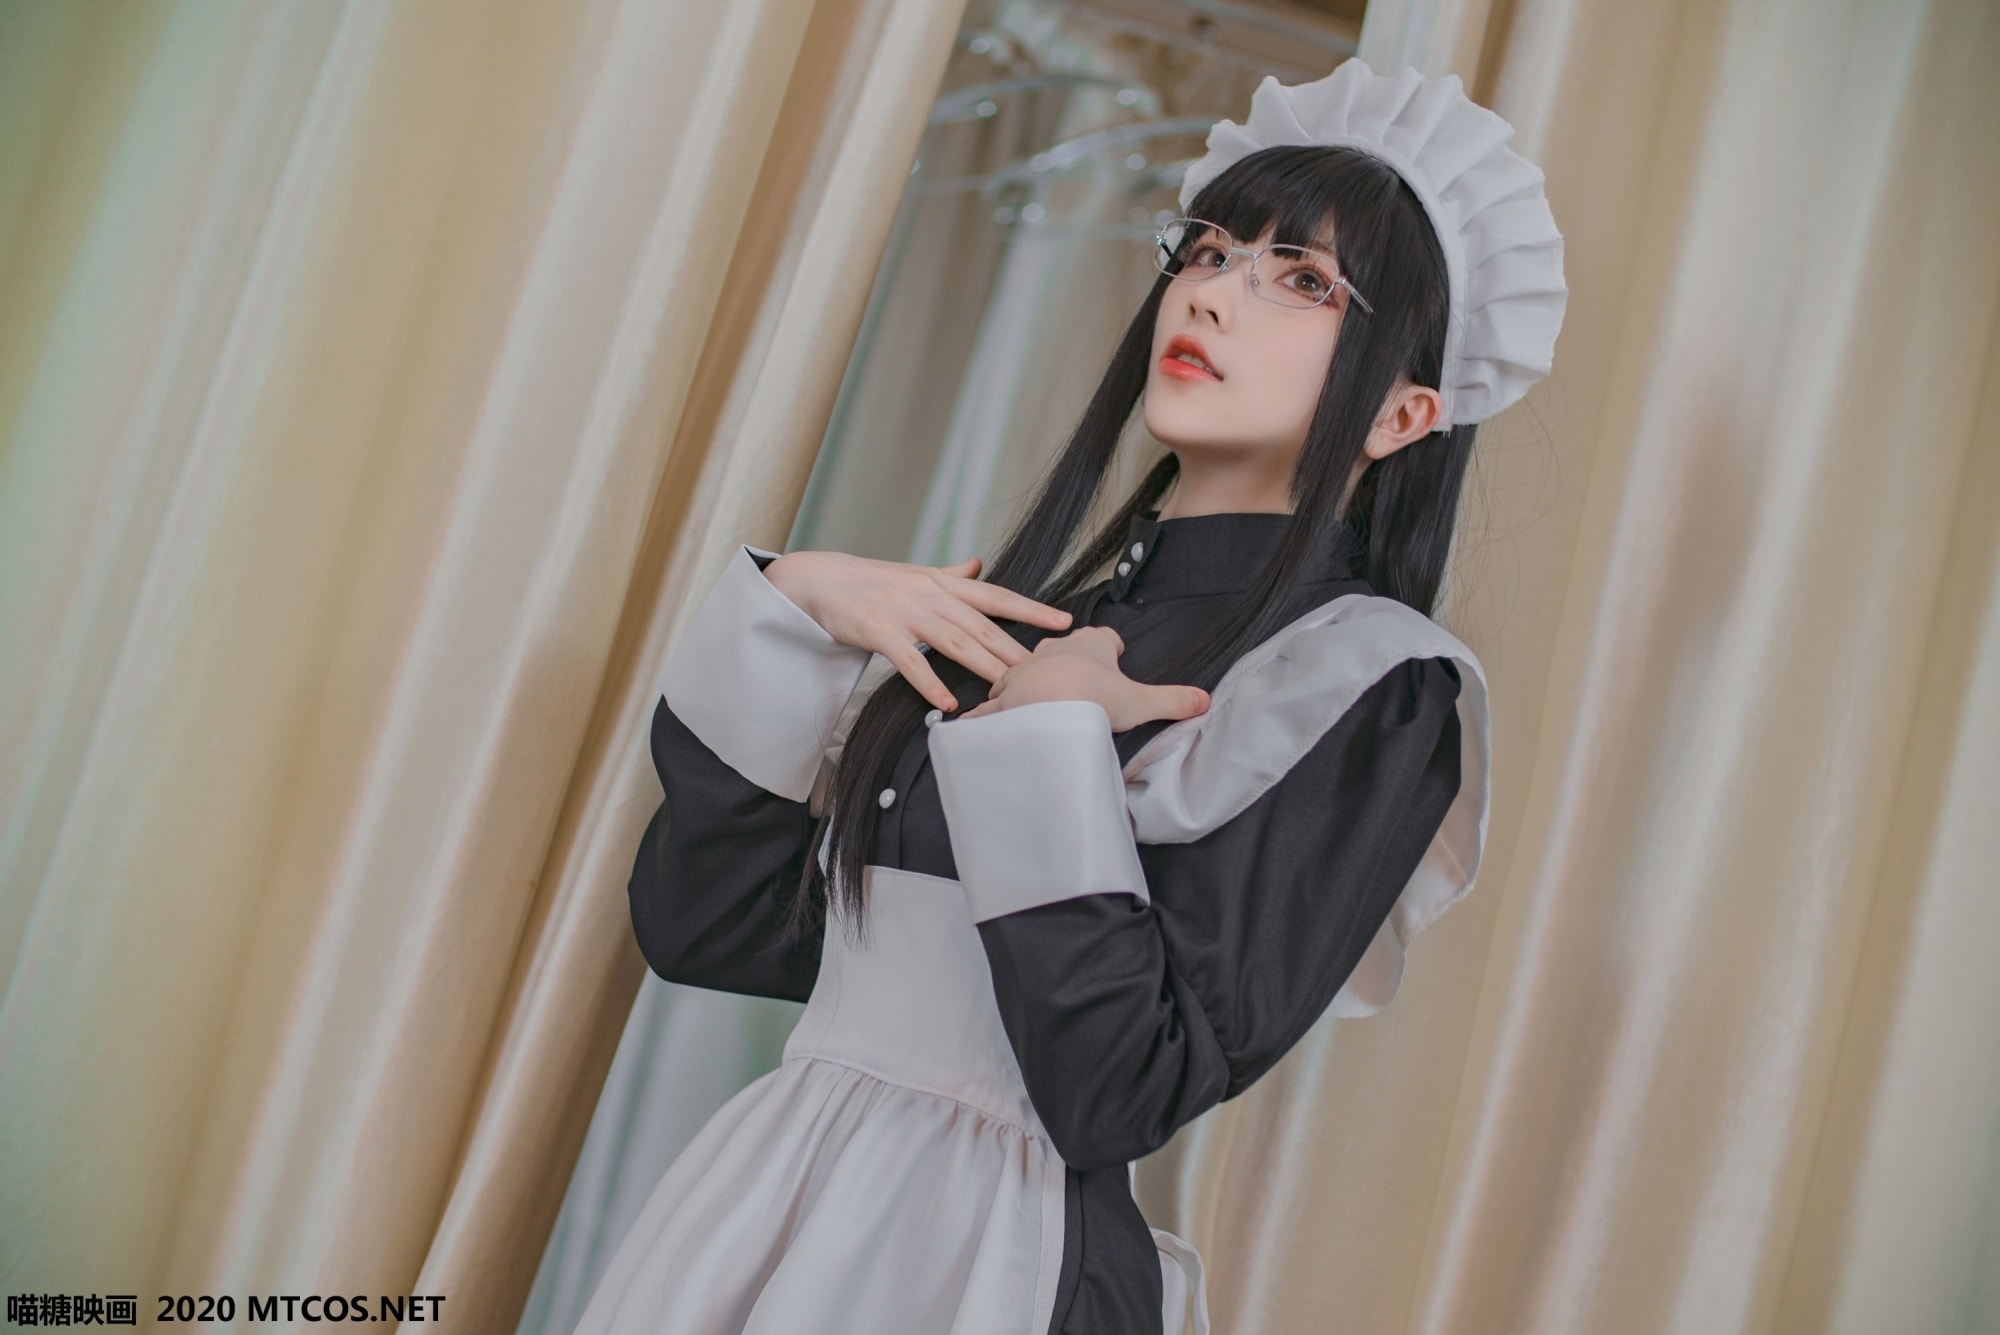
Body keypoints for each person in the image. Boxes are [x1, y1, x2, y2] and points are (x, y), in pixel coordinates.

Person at [572, 59, 1566, 1335]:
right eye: (1207, 250)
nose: (1210, 291)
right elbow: (713, 932)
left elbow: (1116, 1091)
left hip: (991, 1265)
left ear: (1400, 413)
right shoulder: (1032, 618)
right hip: (770, 1195)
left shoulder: (1369, 686)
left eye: (1304, 280)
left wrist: (1045, 738)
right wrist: (794, 614)